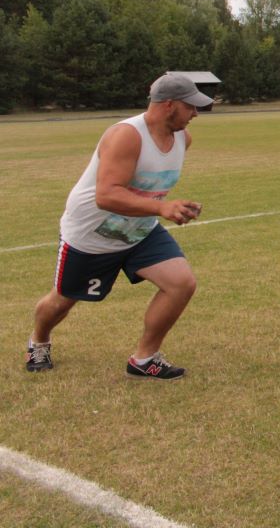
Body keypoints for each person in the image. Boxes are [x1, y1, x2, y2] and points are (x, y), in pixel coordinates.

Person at [24, 73, 211, 379]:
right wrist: (163, 207)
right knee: (62, 300)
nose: (196, 113)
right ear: (168, 105)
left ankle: (143, 359)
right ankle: (39, 341)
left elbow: (151, 185)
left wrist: (171, 206)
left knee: (181, 283)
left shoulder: (182, 138)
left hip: (140, 232)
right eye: (190, 106)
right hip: (91, 236)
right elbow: (106, 195)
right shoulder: (126, 135)